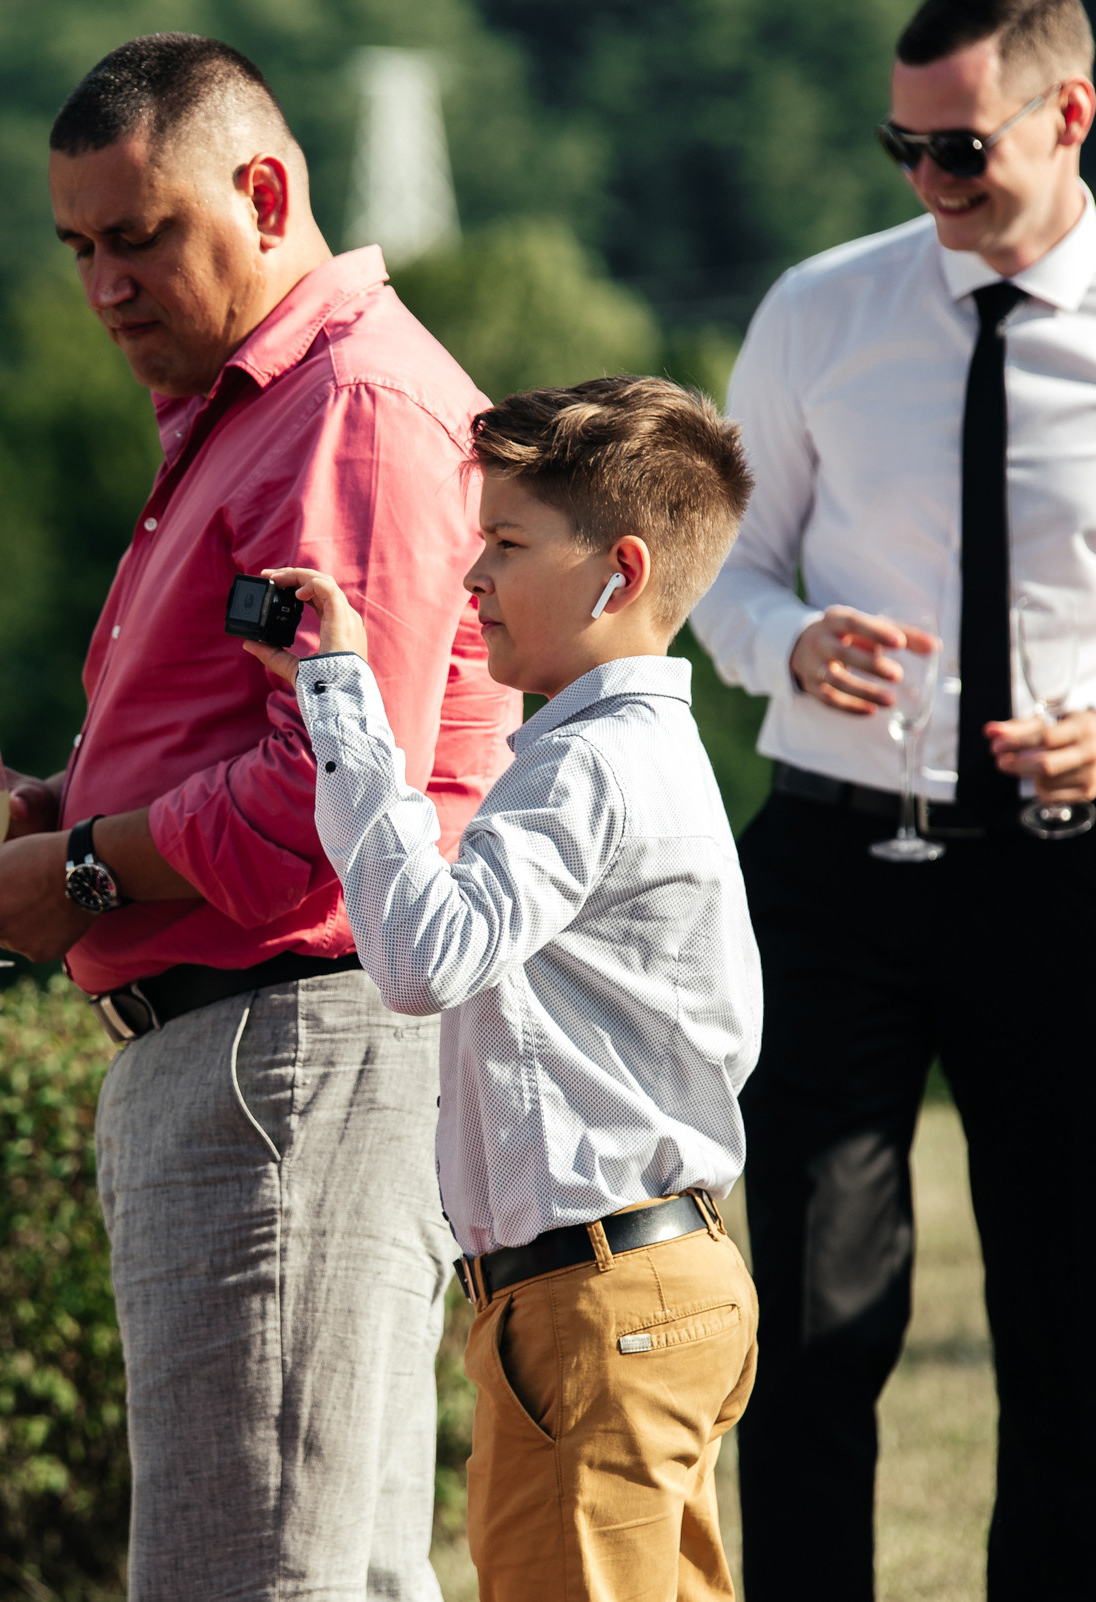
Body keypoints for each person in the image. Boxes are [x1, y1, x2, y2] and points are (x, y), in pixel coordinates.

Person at [0, 34, 522, 1598]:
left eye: (137, 237)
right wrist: (45, 811)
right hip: (265, 1053)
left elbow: (333, 793)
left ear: (264, 193)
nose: (104, 286)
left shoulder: (351, 408)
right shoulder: (269, 400)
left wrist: (82, 868)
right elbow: (254, 746)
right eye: (78, 249)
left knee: (254, 1575)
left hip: (288, 1048)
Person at [689, 2, 1096, 1595]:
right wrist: (791, 641)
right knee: (811, 1314)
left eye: (958, 148)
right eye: (903, 146)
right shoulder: (819, 311)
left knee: (1062, 1314)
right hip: (830, 864)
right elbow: (723, 567)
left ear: (1070, 116)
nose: (926, 181)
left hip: (1065, 876)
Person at [246, 377, 762, 1601]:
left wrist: (344, 708)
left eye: (509, 543)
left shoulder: (586, 763)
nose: (473, 576)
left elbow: (426, 956)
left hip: (594, 1303)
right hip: (656, 1280)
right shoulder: (648, 752)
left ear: (619, 574)